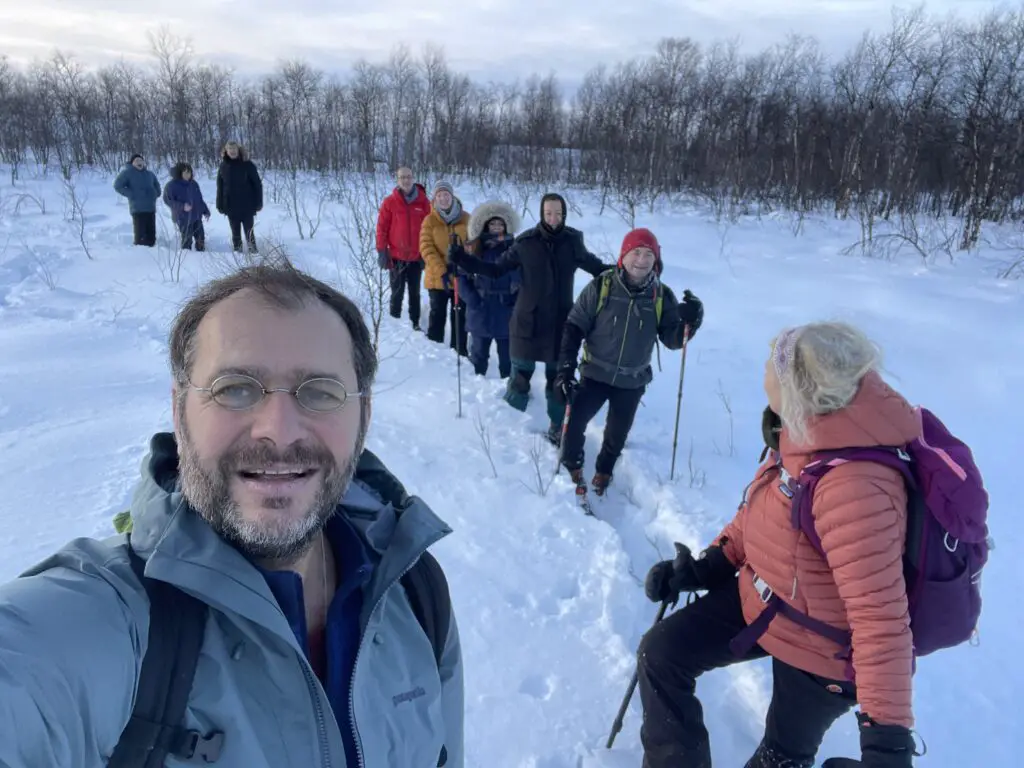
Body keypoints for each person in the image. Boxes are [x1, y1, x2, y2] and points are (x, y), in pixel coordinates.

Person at [0, 260, 464, 767]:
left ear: (364, 416)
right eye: (236, 389)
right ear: (180, 413)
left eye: (320, 393)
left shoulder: (414, 593)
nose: (279, 431)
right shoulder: (105, 625)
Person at [637, 321, 920, 768]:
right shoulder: (805, 429)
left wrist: (888, 744)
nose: (764, 370)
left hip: (824, 649)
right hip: (768, 603)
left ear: (799, 386)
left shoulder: (856, 488)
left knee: (779, 758)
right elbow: (759, 513)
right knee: (662, 653)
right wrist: (709, 564)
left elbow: (880, 621)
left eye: (773, 364)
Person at [448, 192, 609, 442]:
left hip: (560, 324)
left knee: (557, 380)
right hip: (526, 323)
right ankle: (512, 431)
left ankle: (557, 428)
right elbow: (494, 270)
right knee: (520, 378)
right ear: (542, 213)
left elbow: (598, 269)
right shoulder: (525, 243)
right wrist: (463, 260)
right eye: (548, 213)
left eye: (557, 213)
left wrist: (631, 269)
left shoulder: (573, 242)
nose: (553, 218)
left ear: (564, 214)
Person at [553, 228, 703, 495]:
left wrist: (692, 322)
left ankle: (603, 473)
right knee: (575, 422)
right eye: (636, 252)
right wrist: (565, 368)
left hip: (632, 380)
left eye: (648, 254)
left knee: (616, 435)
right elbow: (574, 326)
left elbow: (672, 339)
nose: (641, 260)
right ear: (623, 256)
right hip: (595, 372)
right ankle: (573, 468)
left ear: (656, 259)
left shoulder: (661, 295)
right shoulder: (602, 286)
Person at [457, 200, 521, 378]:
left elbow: (525, 278)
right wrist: (473, 300)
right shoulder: (474, 248)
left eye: (500, 224)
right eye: (492, 223)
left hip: (507, 311)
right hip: (481, 310)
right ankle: (477, 395)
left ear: (506, 226)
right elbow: (461, 277)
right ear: (485, 225)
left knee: (508, 361)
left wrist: (516, 300)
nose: (496, 227)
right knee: (478, 358)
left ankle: (509, 395)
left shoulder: (515, 249)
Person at [376, 166, 432, 331]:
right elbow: (382, 228)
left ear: (413, 178)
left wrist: (426, 253)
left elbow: (430, 229)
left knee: (414, 293)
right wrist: (381, 251)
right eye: (402, 177)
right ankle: (394, 323)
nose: (406, 180)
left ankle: (415, 323)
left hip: (416, 256)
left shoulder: (423, 202)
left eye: (408, 177)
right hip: (396, 257)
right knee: (397, 292)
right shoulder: (389, 202)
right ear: (397, 180)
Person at [419, 180, 470, 354]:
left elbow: (473, 244)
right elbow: (426, 247)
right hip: (437, 277)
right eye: (439, 195)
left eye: (446, 194)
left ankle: (460, 351)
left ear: (452, 195)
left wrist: (462, 262)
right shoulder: (429, 220)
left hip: (460, 275)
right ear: (435, 198)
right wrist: (442, 269)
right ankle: (436, 352)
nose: (443, 198)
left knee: (460, 315)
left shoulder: (466, 218)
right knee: (437, 314)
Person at [215, 140, 263, 253]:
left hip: (247, 205)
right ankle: (238, 253)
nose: (232, 151)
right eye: (230, 149)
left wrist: (259, 202)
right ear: (226, 151)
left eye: (234, 149)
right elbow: (220, 187)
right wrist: (219, 204)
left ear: (238, 150)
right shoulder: (223, 166)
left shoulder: (248, 165)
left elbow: (257, 184)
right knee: (235, 233)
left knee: (249, 232)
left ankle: (253, 252)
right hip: (231, 206)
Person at [113, 153, 161, 247]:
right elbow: (117, 185)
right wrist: (131, 194)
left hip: (150, 208)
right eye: (136, 161)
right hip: (138, 209)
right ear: (132, 163)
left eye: (141, 160)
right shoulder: (127, 172)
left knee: (151, 235)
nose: (139, 162)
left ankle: (152, 252)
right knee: (140, 237)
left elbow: (157, 185)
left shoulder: (149, 174)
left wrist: (156, 193)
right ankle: (139, 255)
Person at [163, 161, 211, 251]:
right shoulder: (171, 186)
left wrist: (206, 211)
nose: (188, 174)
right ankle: (187, 256)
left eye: (190, 172)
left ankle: (201, 253)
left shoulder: (194, 184)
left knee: (200, 237)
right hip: (183, 217)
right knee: (187, 239)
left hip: (196, 216)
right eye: (186, 172)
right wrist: (182, 206)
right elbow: (168, 200)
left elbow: (199, 199)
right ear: (179, 173)